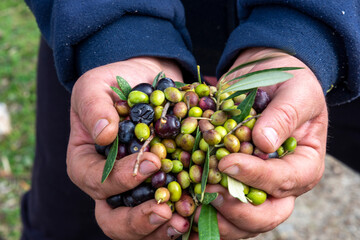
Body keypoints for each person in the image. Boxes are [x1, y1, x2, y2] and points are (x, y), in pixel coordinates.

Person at [21, 0, 360, 239]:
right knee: (79, 212)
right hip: (102, 34)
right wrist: (116, 35)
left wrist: (307, 31)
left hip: (329, 30)